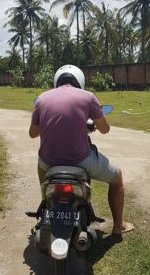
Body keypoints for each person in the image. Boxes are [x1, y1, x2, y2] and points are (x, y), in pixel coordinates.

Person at [29, 64, 134, 235]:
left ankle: (47, 203)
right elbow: (105, 129)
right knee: (117, 177)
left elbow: (33, 133)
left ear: (57, 81)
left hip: (49, 162)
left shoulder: (41, 98)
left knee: (40, 164)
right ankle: (118, 226)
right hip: (81, 160)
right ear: (80, 81)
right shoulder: (88, 97)